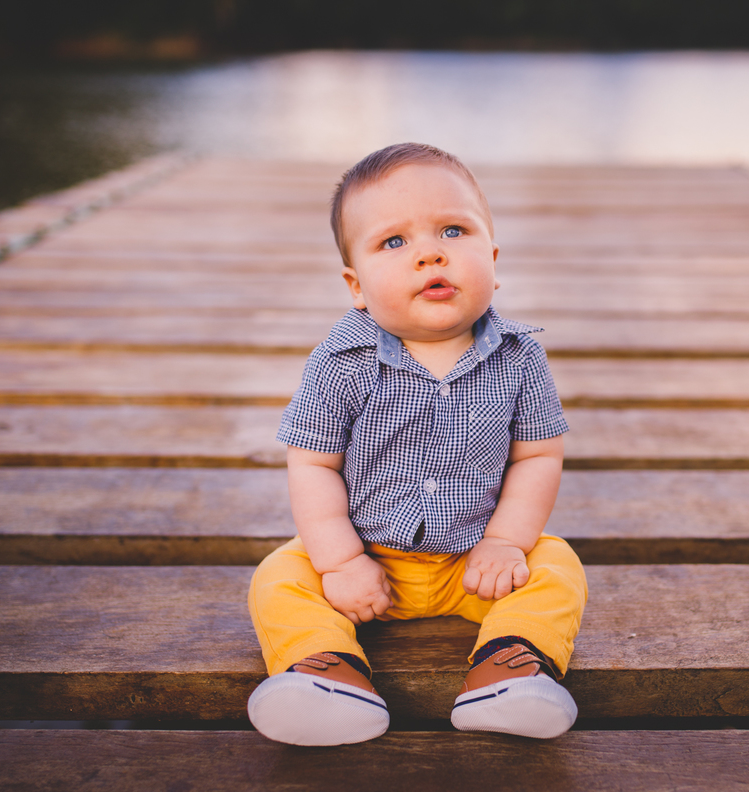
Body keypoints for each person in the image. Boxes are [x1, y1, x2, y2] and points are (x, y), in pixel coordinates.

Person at [246, 142, 587, 746]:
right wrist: (341, 561)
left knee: (556, 566)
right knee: (280, 576)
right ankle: (326, 672)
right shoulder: (339, 363)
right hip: (367, 555)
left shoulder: (520, 357)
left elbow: (538, 455)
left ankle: (509, 668)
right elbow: (313, 463)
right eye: (393, 243)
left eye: (454, 231)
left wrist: (506, 542)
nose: (431, 252)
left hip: (472, 561)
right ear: (356, 284)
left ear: (493, 257)